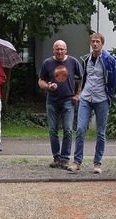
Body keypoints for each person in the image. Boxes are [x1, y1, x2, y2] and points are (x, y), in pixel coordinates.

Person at [68, 33, 116, 174]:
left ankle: (97, 163)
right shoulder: (86, 59)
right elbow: (84, 78)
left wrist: (109, 96)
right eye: (93, 41)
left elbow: (114, 80)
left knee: (100, 132)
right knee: (80, 129)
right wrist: (80, 92)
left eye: (97, 42)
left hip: (101, 99)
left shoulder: (109, 60)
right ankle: (77, 162)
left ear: (102, 44)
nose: (95, 44)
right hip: (86, 98)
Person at [38, 40, 83, 169]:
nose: (59, 51)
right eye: (57, 49)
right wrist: (48, 86)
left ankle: (65, 158)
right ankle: (56, 158)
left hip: (68, 101)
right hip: (52, 101)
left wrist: (77, 95)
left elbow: (83, 79)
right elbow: (41, 80)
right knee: (53, 131)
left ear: (66, 50)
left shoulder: (73, 62)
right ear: (53, 50)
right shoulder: (47, 63)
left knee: (68, 130)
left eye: (62, 49)